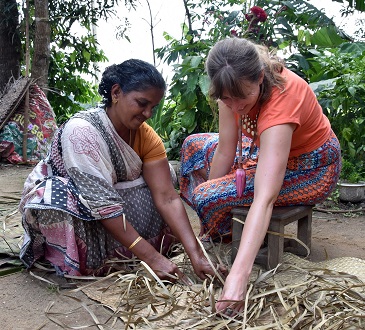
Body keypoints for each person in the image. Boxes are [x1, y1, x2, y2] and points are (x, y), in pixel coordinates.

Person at [19, 59, 222, 283]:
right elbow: (102, 204)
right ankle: (86, 257)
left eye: (153, 107)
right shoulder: (82, 132)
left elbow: (167, 197)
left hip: (114, 210)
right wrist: (153, 259)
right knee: (56, 196)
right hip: (84, 211)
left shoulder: (146, 136)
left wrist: (197, 255)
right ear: (116, 92)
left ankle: (130, 251)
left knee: (159, 182)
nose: (147, 113)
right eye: (142, 103)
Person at [179, 38, 341, 315]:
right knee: (194, 147)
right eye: (227, 99)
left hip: (310, 167)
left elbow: (265, 198)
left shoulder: (283, 101)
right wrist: (210, 197)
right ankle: (223, 230)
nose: (235, 106)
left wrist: (237, 280)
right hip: (263, 149)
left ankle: (238, 241)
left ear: (260, 77)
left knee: (207, 195)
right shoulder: (230, 92)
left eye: (242, 97)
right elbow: (226, 149)